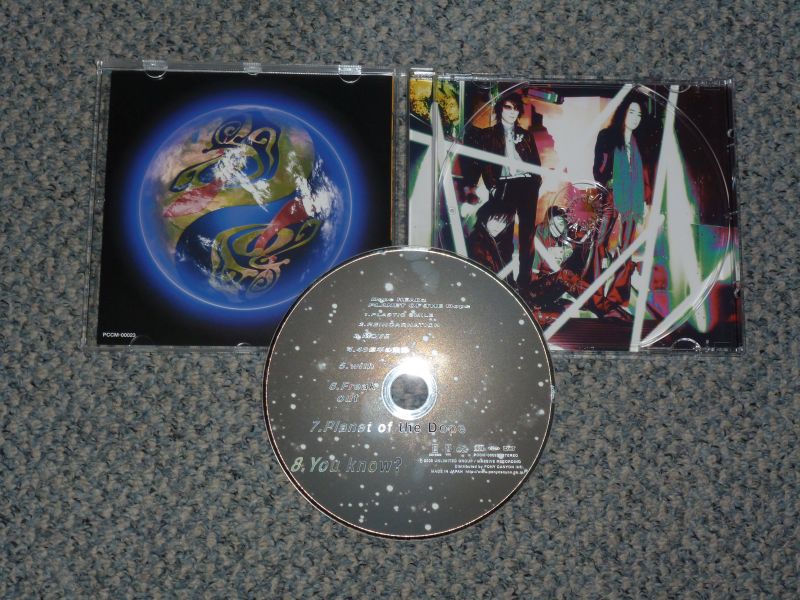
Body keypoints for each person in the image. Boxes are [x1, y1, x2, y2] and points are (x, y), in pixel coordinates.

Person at [462, 91, 542, 292]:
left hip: (526, 185)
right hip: (504, 186)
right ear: (500, 109)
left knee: (527, 236)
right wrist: (485, 185)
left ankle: (524, 283)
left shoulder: (526, 136)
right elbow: (476, 162)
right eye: (508, 107)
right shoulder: (487, 135)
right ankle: (507, 282)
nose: (512, 112)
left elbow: (535, 164)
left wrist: (535, 182)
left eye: (516, 109)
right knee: (504, 236)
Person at [591, 97, 650, 305]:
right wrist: (609, 181)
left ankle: (617, 297)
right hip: (610, 195)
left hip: (633, 200)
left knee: (627, 248)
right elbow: (597, 168)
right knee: (599, 243)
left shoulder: (639, 142)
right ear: (623, 112)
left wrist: (644, 200)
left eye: (639, 115)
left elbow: (643, 175)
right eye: (631, 112)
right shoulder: (607, 136)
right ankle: (594, 294)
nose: (635, 118)